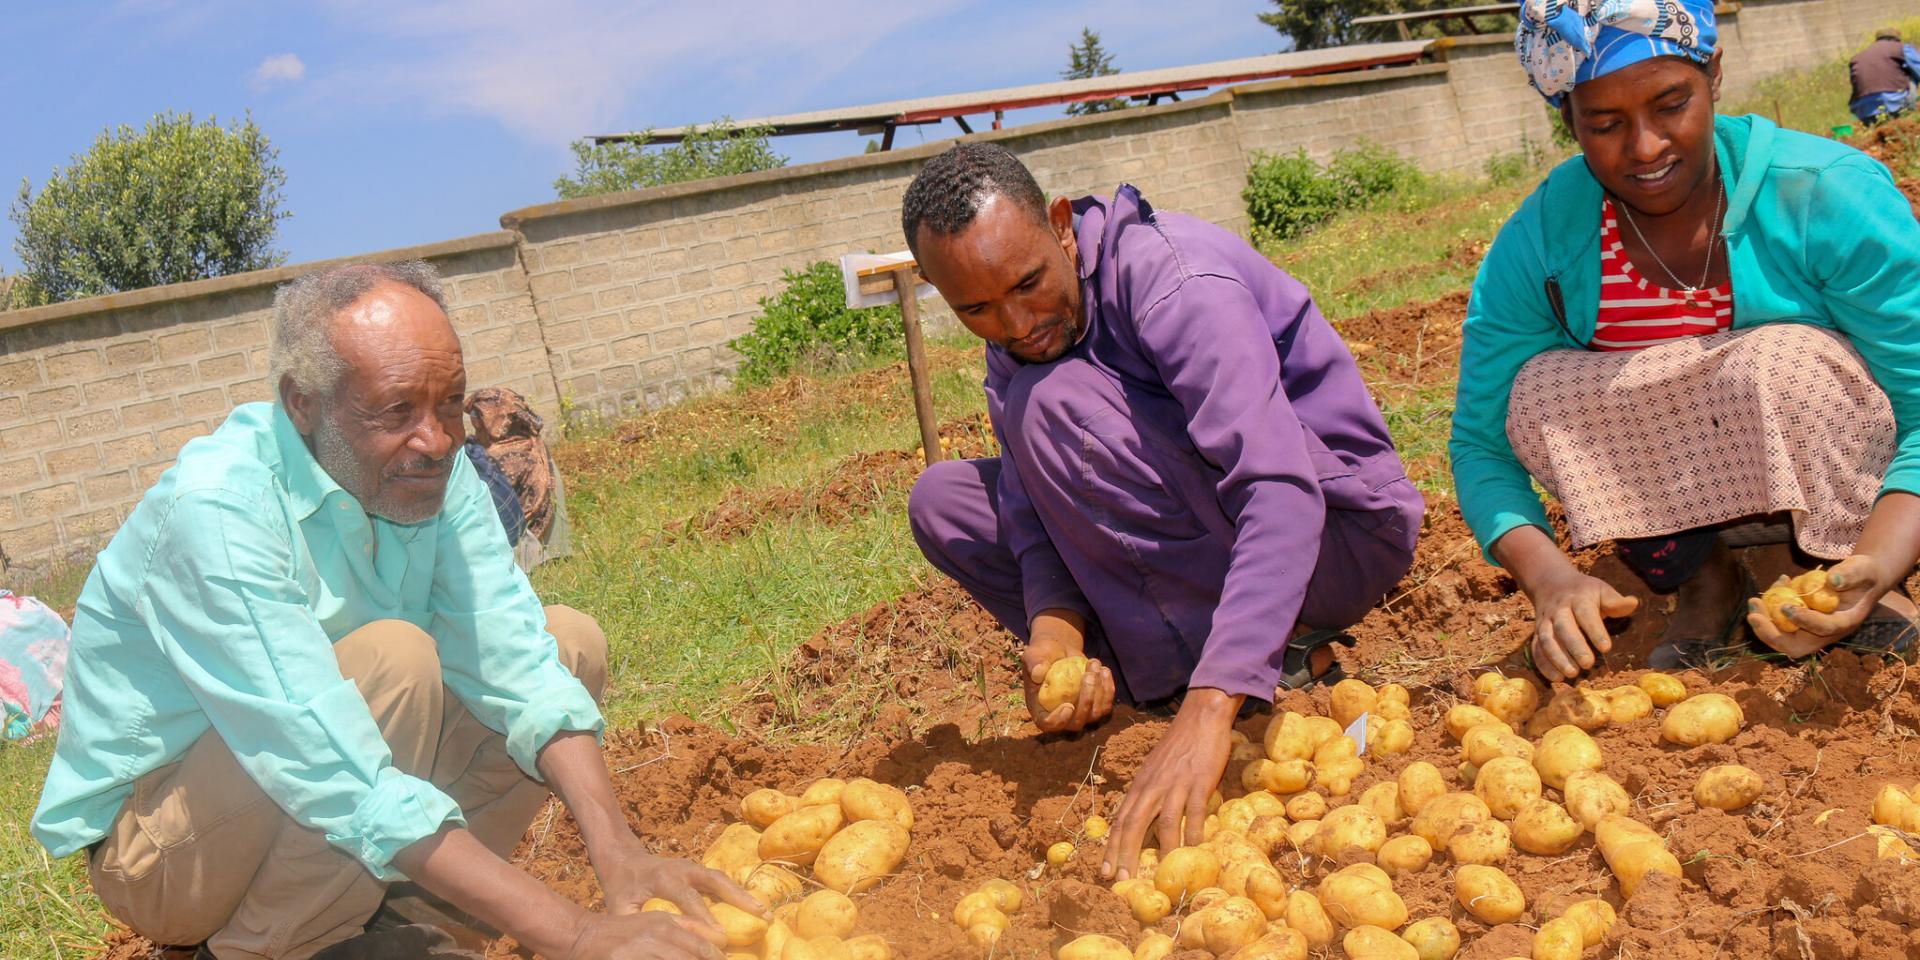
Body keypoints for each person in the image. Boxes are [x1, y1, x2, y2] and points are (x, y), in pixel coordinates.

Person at [31, 262, 756, 960]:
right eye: (397, 410)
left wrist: (620, 856)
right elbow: (331, 767)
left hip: (317, 788)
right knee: (396, 663)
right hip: (165, 847)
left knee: (569, 644)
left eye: (449, 402)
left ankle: (412, 925)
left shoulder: (440, 471)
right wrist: (573, 935)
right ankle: (274, 948)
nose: (436, 440)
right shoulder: (219, 509)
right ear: (302, 403)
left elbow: (519, 665)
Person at [901, 143, 1423, 880]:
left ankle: (1255, 662)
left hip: (1333, 534)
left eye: (1026, 284)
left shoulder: (1174, 281)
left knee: (1057, 403)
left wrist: (1209, 714)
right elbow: (1030, 515)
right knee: (946, 500)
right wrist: (1055, 636)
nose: (1015, 324)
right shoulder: (1021, 332)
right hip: (1208, 546)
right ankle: (1162, 669)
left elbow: (1276, 487)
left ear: (1061, 226)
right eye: (976, 309)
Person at [1453, 0, 1920, 682]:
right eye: (1605, 124)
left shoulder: (1823, 194)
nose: (1644, 148)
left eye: (1672, 104)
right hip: (1675, 503)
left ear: (1715, 76)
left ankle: (1842, 567)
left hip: (1847, 492)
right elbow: (1480, 442)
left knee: (1780, 362)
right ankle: (1703, 578)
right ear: (1569, 123)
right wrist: (1548, 576)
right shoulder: (1545, 238)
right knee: (1538, 392)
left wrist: (1879, 561)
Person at [1848, 28, 1920, 126]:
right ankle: (1907, 114)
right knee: (1911, 74)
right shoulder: (1901, 48)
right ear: (1896, 39)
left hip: (1863, 109)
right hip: (1894, 101)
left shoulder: (1858, 56)